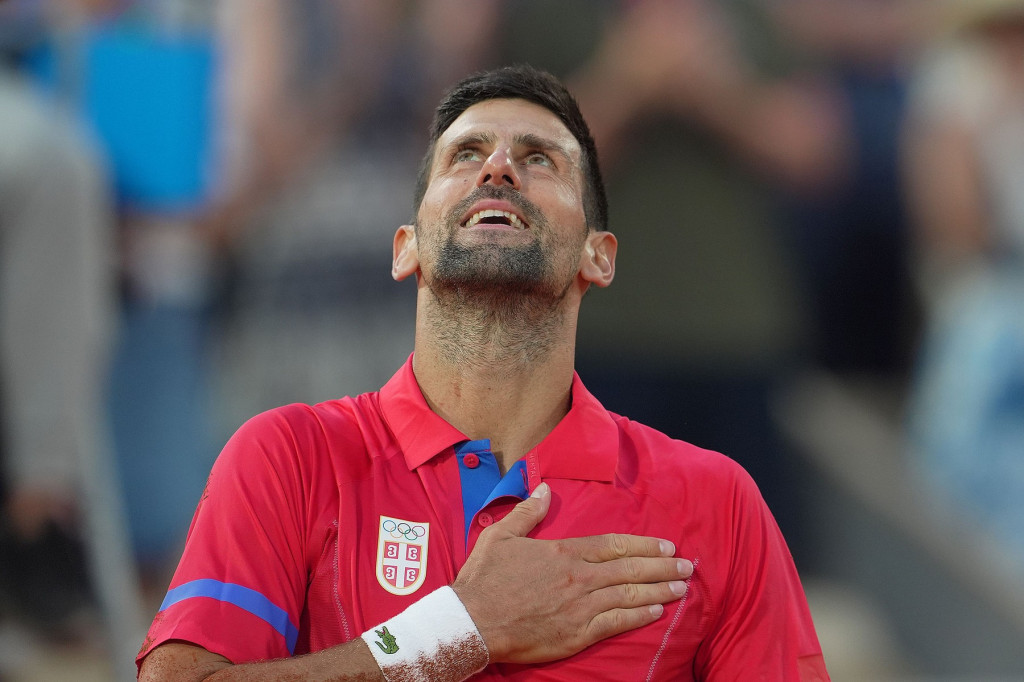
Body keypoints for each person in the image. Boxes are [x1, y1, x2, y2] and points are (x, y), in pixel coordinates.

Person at [136, 65, 829, 681]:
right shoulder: (289, 457)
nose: (498, 169)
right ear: (406, 248)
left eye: (539, 159)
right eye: (466, 154)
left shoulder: (715, 502)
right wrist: (454, 632)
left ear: (599, 257)